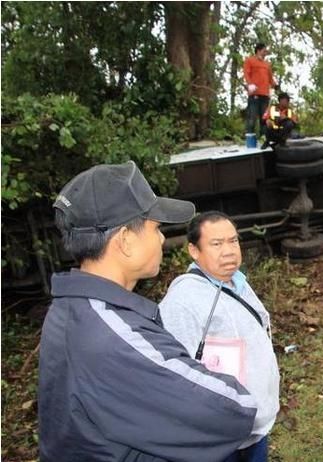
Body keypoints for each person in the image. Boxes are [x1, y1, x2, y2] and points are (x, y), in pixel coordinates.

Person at [39, 161, 258, 461]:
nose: (162, 239)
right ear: (126, 240)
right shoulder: (112, 334)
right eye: (156, 228)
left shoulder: (69, 308)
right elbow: (234, 409)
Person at [160, 211, 280, 462]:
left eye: (233, 241)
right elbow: (177, 372)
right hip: (218, 436)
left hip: (255, 425)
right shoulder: (183, 300)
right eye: (216, 244)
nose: (229, 251)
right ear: (194, 250)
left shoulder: (237, 282)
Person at [244, 43, 277, 137]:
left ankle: (263, 138)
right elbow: (246, 73)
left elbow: (270, 78)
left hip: (265, 95)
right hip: (254, 94)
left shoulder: (267, 64)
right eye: (264, 50)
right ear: (258, 50)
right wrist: (250, 84)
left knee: (264, 118)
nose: (265, 52)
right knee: (252, 118)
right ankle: (249, 139)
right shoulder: (250, 60)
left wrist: (275, 86)